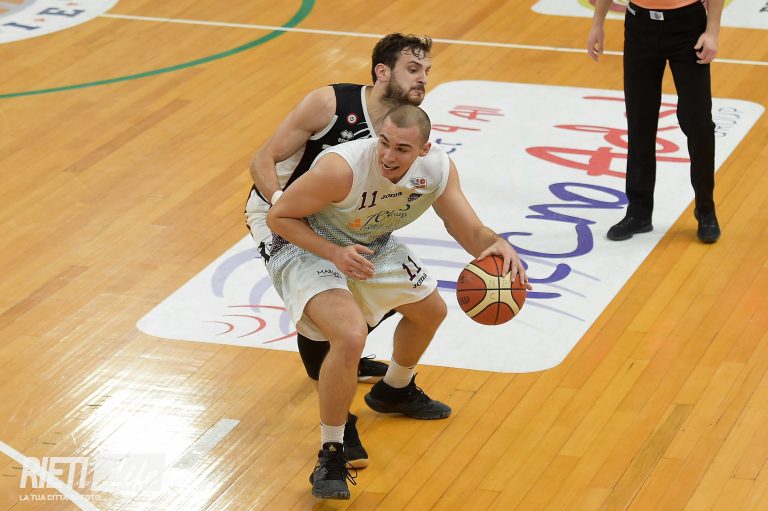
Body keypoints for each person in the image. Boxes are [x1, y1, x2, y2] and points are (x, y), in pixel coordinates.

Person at [266, 105, 531, 499]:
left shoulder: (437, 169)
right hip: (306, 247)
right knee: (350, 336)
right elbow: (279, 217)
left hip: (370, 243)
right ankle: (332, 453)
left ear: (424, 149)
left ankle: (394, 390)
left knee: (430, 312)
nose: (388, 156)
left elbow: (468, 229)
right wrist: (334, 253)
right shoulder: (342, 169)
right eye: (384, 143)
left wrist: (496, 243)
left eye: (402, 149)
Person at [244, 33, 434, 469]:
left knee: (401, 294)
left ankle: (356, 366)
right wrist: (282, 206)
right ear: (382, 72)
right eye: (413, 69)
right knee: (325, 310)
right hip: (281, 213)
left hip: (340, 216)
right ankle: (339, 417)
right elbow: (262, 160)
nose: (423, 78)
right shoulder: (329, 104)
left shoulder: (404, 126)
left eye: (426, 70)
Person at [587, 0, 724, 243]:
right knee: (640, 120)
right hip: (640, 26)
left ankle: (706, 210)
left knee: (699, 124)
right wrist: (597, 23)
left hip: (688, 27)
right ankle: (639, 212)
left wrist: (712, 31)